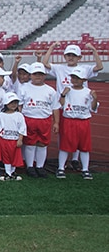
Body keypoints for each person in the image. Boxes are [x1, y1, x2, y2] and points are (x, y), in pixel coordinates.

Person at [42, 42, 103, 172]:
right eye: (68, 55)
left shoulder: (85, 68)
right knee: (63, 134)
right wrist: (51, 48)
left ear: (79, 58)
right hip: (63, 104)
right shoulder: (59, 68)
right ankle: (62, 160)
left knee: (80, 135)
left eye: (74, 56)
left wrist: (93, 50)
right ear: (64, 56)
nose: (71, 58)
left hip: (80, 104)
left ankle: (75, 159)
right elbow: (45, 64)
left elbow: (99, 66)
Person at [18, 62, 60, 178]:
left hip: (44, 120)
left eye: (41, 74)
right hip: (29, 119)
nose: (38, 77)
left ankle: (40, 166)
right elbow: (20, 105)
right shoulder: (24, 88)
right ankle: (30, 166)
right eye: (35, 74)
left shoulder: (50, 90)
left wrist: (56, 122)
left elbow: (55, 107)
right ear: (31, 75)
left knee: (42, 144)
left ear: (45, 75)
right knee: (30, 143)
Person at [56, 67, 99, 179]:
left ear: (84, 79)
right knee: (65, 145)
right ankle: (61, 168)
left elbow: (93, 108)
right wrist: (63, 95)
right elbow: (60, 104)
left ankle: (85, 169)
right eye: (73, 77)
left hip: (83, 122)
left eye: (77, 78)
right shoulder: (67, 90)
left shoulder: (88, 92)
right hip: (69, 121)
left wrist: (94, 99)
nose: (74, 80)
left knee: (84, 146)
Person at [0, 92, 27, 181]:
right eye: (11, 102)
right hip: (4, 140)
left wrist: (20, 139)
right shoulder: (1, 115)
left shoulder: (19, 116)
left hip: (14, 139)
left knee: (15, 156)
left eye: (15, 103)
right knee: (6, 156)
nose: (13, 105)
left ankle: (12, 172)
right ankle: (8, 173)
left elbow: (22, 128)